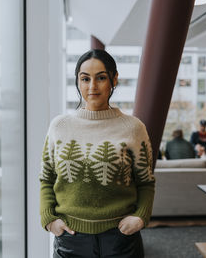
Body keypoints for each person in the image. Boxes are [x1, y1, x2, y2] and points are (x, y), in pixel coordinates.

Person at [39, 49, 155, 258]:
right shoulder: (59, 126)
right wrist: (49, 219)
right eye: (85, 79)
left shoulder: (133, 127)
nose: (92, 86)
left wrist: (140, 217)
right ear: (78, 81)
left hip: (120, 238)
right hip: (70, 239)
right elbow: (47, 178)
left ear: (114, 79)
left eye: (101, 78)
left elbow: (146, 182)